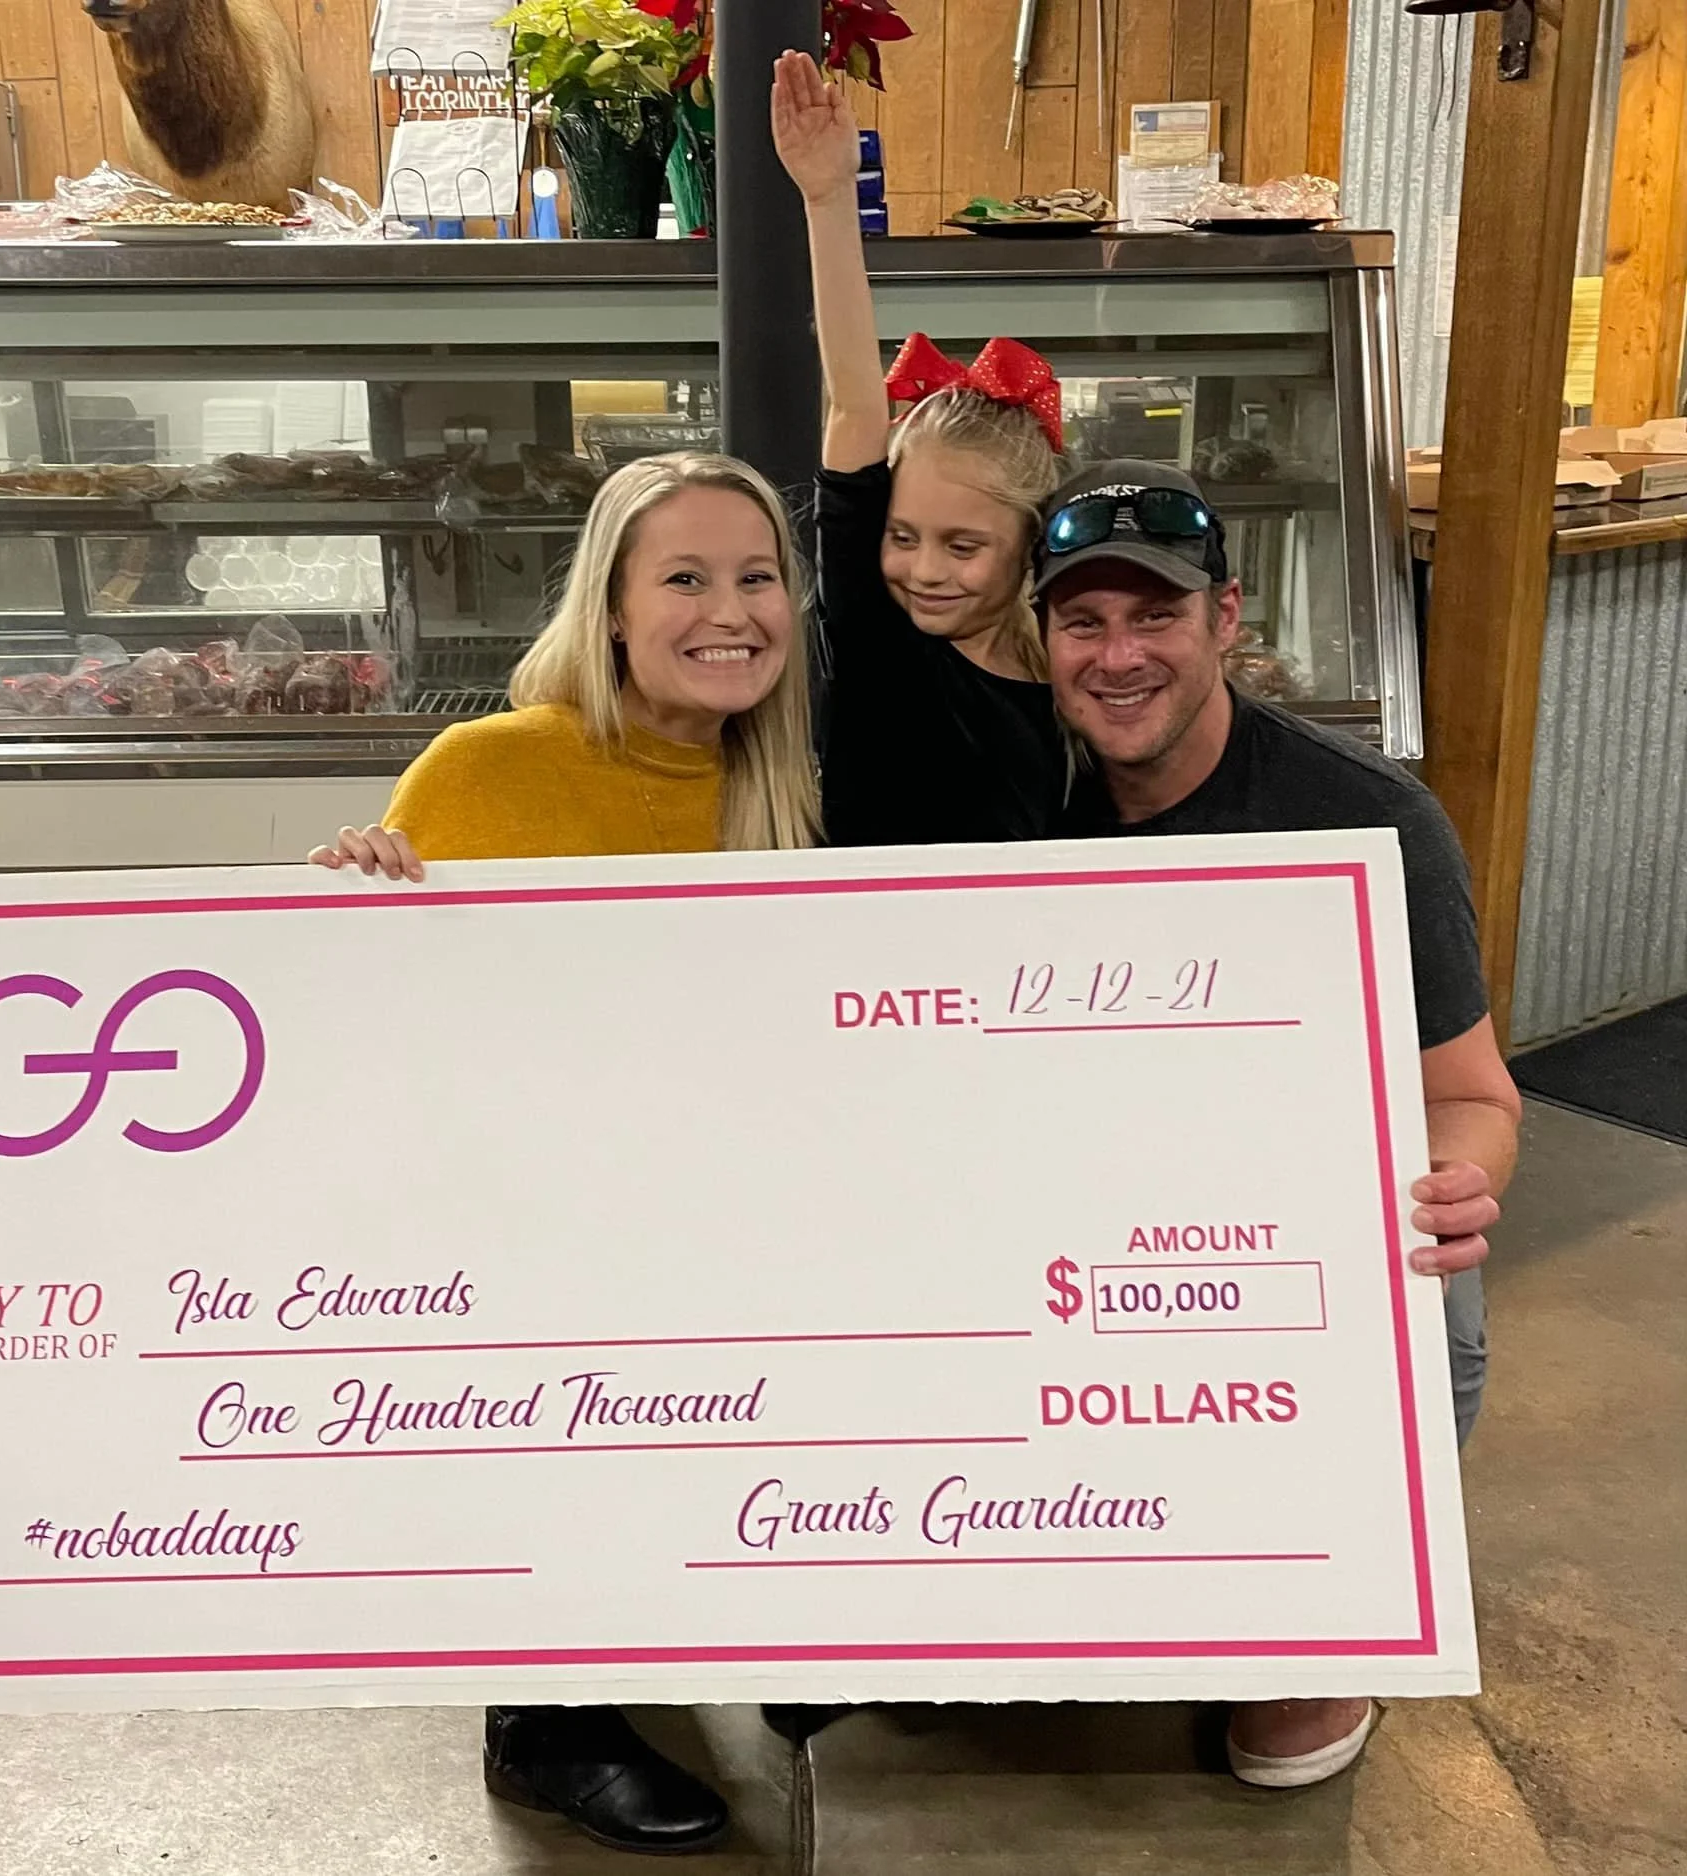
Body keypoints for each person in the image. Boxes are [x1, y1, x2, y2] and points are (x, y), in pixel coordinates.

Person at [311, 448, 820, 1856]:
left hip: (705, 1192)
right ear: (609, 608)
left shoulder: (781, 793)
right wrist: (350, 903)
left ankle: (740, 1608)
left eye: (757, 577)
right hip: (513, 1210)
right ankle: (542, 1716)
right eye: (685, 578)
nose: (730, 610)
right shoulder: (488, 768)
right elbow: (364, 1032)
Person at [1033, 457, 1523, 1789]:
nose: (1119, 655)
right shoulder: (1011, 795)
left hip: (1275, 1220)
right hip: (1079, 1189)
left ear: (1226, 617)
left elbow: (1471, 1095)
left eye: (1157, 614)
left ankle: (1324, 1616)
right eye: (1084, 621)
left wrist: (1456, 1182)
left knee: (1432, 1304)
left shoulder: (1365, 817)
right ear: (1043, 639)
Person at [771, 49, 1072, 848]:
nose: (925, 569)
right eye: (902, 536)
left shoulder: (1067, 675)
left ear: (1032, 545)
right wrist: (829, 199)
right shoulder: (883, 639)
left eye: (963, 546)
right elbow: (853, 402)